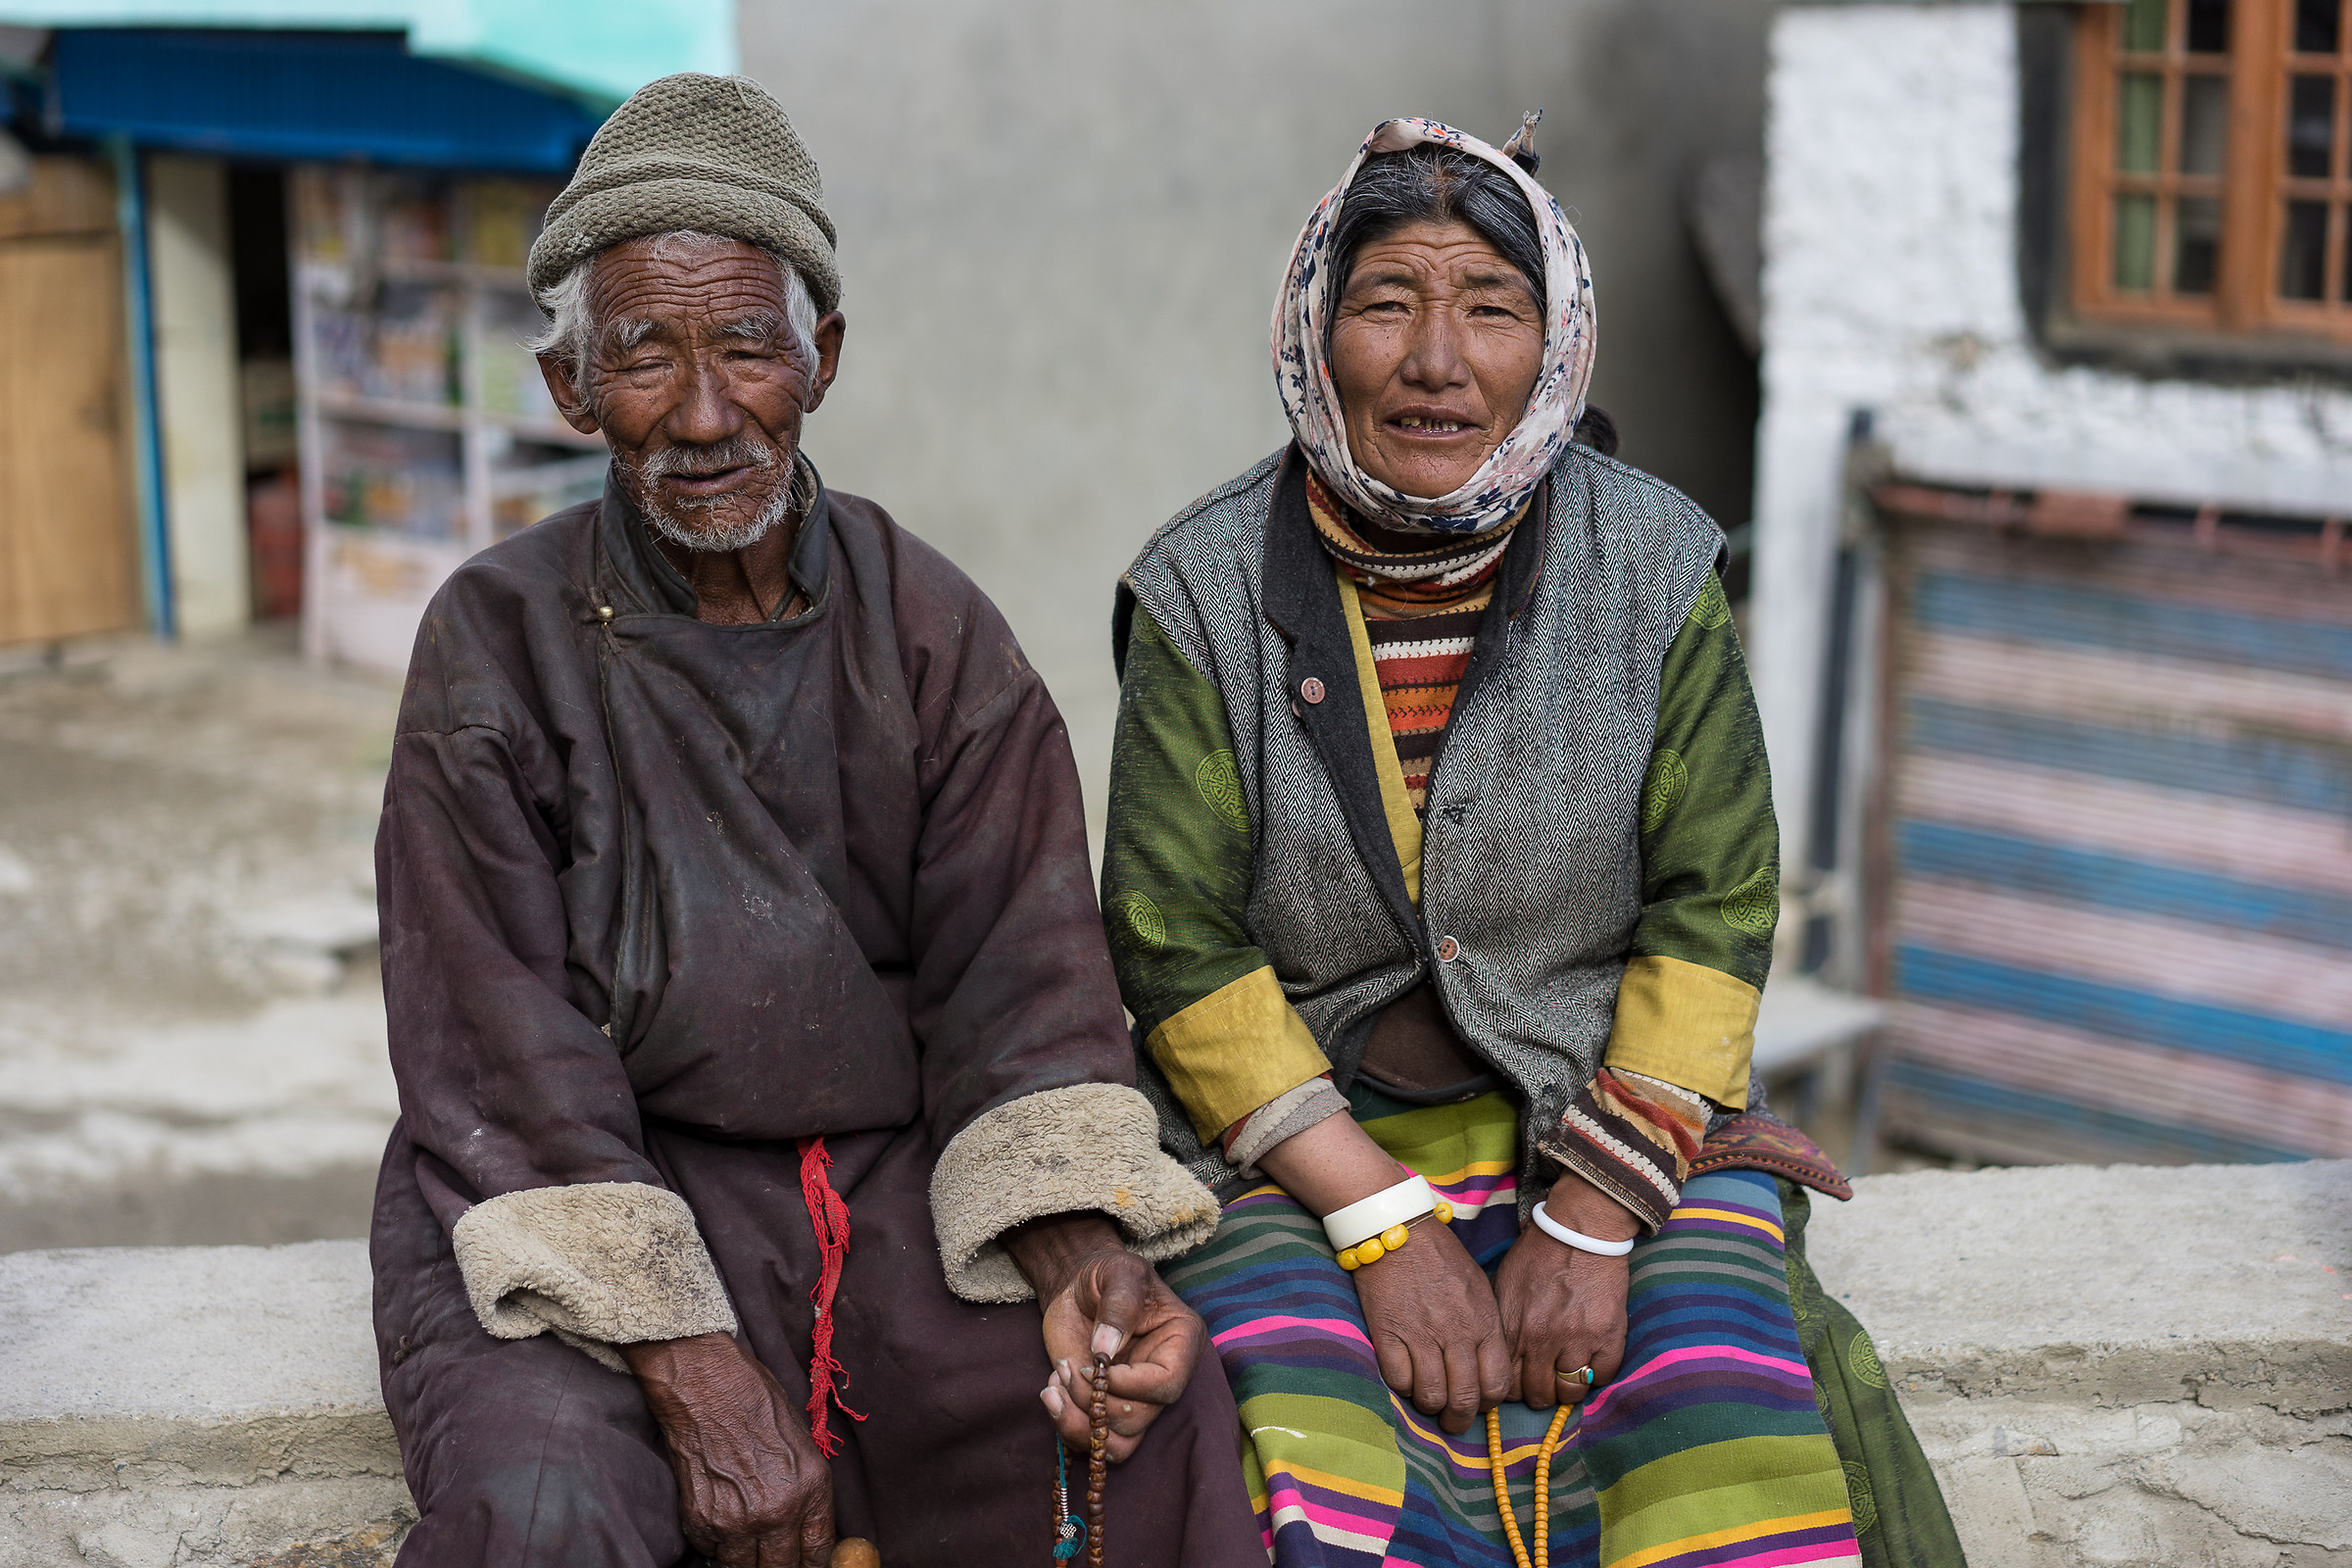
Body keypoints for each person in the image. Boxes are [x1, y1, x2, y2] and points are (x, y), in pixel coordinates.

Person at [369, 74, 1261, 1568]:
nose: (706, 412)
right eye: (646, 354)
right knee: (545, 1508)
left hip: (896, 1191)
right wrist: (696, 1370)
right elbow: (499, 1051)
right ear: (572, 391)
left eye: (746, 346)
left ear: (821, 356)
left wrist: (1077, 1254)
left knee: (1138, 1428)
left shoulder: (933, 631)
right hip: (581, 1192)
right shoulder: (495, 644)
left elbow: (1021, 993)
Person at [1101, 116, 1965, 1568]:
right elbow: (1174, 939)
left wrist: (1597, 1217)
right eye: (1387, 302)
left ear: (1556, 341)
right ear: (1316, 332)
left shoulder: (1654, 566)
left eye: (1491, 309)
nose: (1438, 360)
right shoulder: (1198, 589)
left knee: (1718, 1413)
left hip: (1615, 1121)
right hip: (1299, 1153)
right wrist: (1381, 1222)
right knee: (1300, 1449)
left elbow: (1716, 900)